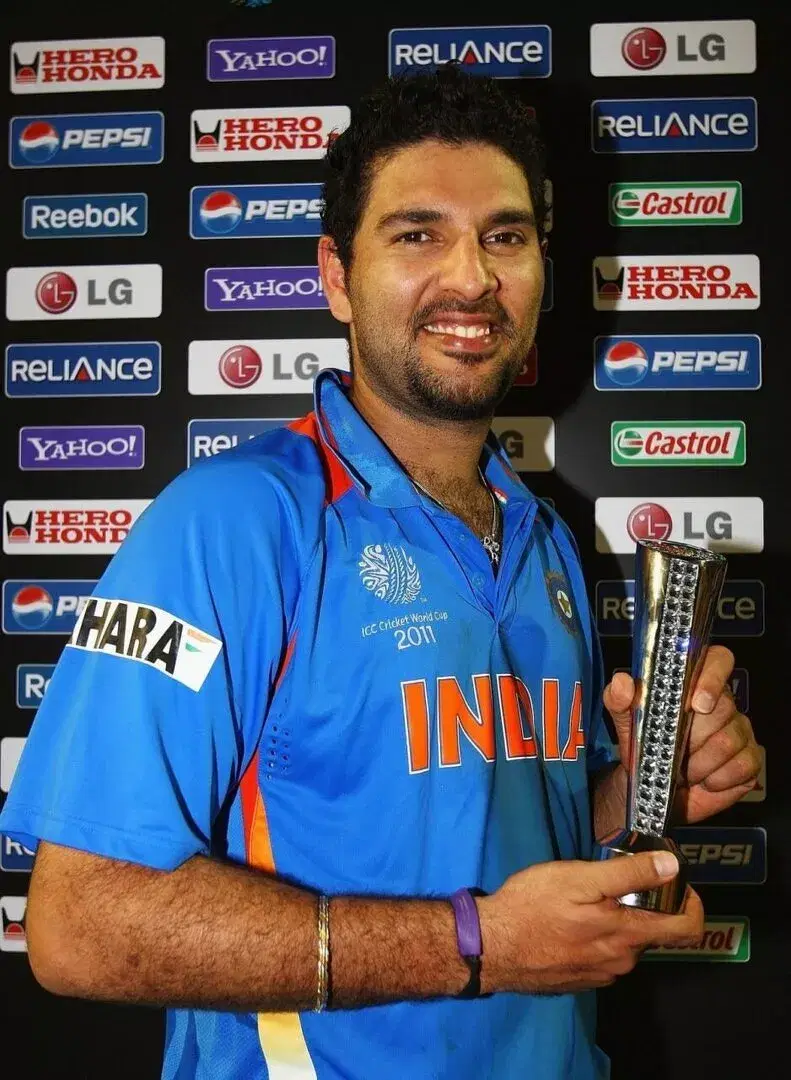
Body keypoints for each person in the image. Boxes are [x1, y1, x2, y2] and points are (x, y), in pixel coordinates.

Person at [0, 66, 761, 1080]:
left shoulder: (543, 537)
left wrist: (644, 785)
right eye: (416, 236)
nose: (471, 279)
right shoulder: (232, 522)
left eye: (503, 236)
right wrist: (473, 944)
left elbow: (496, 842)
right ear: (332, 277)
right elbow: (80, 925)